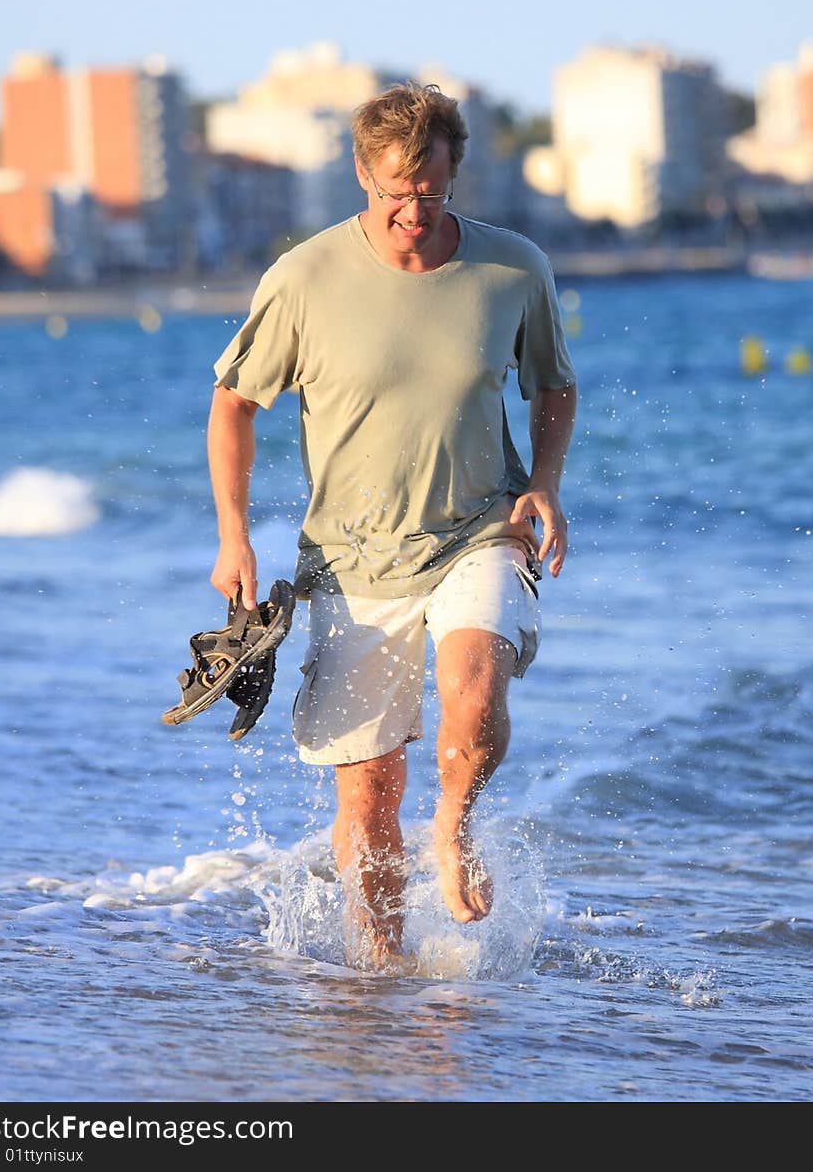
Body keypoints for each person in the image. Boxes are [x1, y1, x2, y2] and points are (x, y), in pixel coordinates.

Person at [207, 83, 577, 968]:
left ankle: (454, 826)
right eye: (393, 192)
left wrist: (548, 484)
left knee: (474, 685)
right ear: (363, 176)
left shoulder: (512, 269)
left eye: (432, 192)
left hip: (480, 530)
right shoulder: (304, 279)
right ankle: (381, 970)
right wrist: (233, 535)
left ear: (455, 177)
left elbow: (554, 385)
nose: (413, 210)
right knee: (370, 792)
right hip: (351, 559)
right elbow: (232, 405)